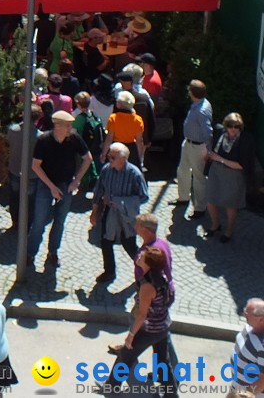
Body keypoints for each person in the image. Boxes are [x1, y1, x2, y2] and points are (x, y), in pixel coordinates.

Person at [98, 247, 174, 395]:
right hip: (163, 326)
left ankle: (111, 386)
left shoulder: (147, 286)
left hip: (150, 329)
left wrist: (131, 335)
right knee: (163, 361)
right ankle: (172, 394)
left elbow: (141, 314)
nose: (139, 256)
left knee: (126, 354)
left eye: (143, 256)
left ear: (148, 264)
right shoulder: (162, 277)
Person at [26, 111, 92, 271]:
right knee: (39, 222)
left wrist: (76, 180)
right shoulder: (44, 140)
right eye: (68, 125)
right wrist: (52, 187)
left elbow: (88, 158)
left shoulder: (74, 138)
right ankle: (30, 254)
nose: (71, 128)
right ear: (57, 126)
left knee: (60, 221)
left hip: (66, 184)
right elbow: (35, 166)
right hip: (46, 184)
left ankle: (53, 253)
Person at [91, 143, 149, 284]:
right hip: (110, 212)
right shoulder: (106, 170)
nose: (109, 159)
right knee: (106, 241)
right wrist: (94, 212)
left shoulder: (134, 174)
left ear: (123, 159)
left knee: (128, 243)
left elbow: (144, 196)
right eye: (109, 156)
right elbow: (98, 191)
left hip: (127, 215)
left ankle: (146, 271)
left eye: (113, 157)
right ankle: (109, 271)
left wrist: (122, 202)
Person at [204, 112, 255, 242]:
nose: (233, 129)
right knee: (210, 199)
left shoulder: (245, 140)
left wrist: (220, 159)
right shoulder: (220, 133)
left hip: (233, 174)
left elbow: (242, 165)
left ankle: (229, 231)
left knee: (230, 205)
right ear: (226, 126)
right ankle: (215, 225)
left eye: (236, 126)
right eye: (230, 126)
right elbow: (213, 149)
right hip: (216, 172)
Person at [175, 79, 213, 219]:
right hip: (188, 144)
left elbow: (208, 132)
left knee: (199, 177)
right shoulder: (199, 104)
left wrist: (208, 151)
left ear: (192, 92)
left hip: (198, 147)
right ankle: (183, 197)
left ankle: (200, 207)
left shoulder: (201, 110)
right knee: (182, 170)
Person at [4, 106, 41, 231]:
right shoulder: (39, 137)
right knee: (30, 201)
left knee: (14, 198)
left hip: (15, 169)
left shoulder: (12, 130)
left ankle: (15, 222)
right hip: (31, 173)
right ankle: (27, 225)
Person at [227, 299, 264, 397]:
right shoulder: (250, 326)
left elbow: (262, 380)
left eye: (247, 313)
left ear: (261, 319)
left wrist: (242, 395)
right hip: (237, 387)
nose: (244, 314)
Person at [102, 90, 145, 169]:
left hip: (116, 148)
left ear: (119, 104)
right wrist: (140, 157)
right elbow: (139, 141)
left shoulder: (113, 118)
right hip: (131, 150)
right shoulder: (138, 119)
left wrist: (104, 154)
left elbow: (109, 138)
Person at [72, 92, 104, 188]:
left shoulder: (79, 118)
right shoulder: (94, 116)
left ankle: (84, 184)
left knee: (83, 166)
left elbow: (73, 133)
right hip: (95, 147)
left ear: (78, 103)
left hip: (84, 147)